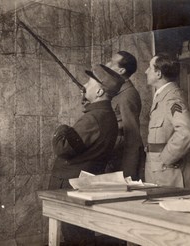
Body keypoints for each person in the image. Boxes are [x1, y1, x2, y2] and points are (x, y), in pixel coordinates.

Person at [49, 64, 124, 245]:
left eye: (89, 82)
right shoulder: (106, 115)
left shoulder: (92, 118)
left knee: (75, 235)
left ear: (99, 92)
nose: (85, 84)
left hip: (70, 184)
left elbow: (63, 148)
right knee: (79, 234)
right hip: (83, 183)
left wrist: (62, 129)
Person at [144, 53, 190, 190]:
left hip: (170, 172)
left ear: (158, 74)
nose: (146, 71)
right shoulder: (161, 96)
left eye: (149, 68)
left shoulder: (172, 98)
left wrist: (166, 158)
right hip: (159, 171)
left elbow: (187, 131)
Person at [105, 51, 145, 181]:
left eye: (111, 63)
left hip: (121, 160)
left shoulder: (128, 95)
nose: (107, 64)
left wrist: (129, 173)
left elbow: (132, 134)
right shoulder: (118, 92)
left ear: (121, 71)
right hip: (114, 155)